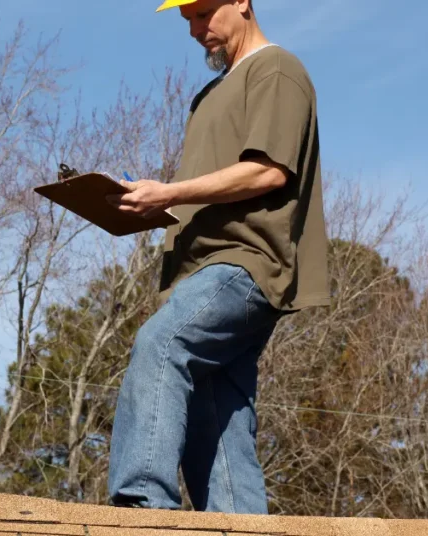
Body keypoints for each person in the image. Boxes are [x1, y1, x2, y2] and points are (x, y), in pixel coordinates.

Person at [104, 0, 330, 514]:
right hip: (198, 270)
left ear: (243, 3)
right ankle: (237, 520)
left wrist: (169, 193)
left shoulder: (277, 69)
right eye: (186, 19)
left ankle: (142, 506)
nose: (195, 29)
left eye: (203, 12)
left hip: (246, 262)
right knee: (217, 411)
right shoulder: (209, 95)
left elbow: (268, 171)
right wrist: (143, 205)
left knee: (162, 344)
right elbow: (207, 191)